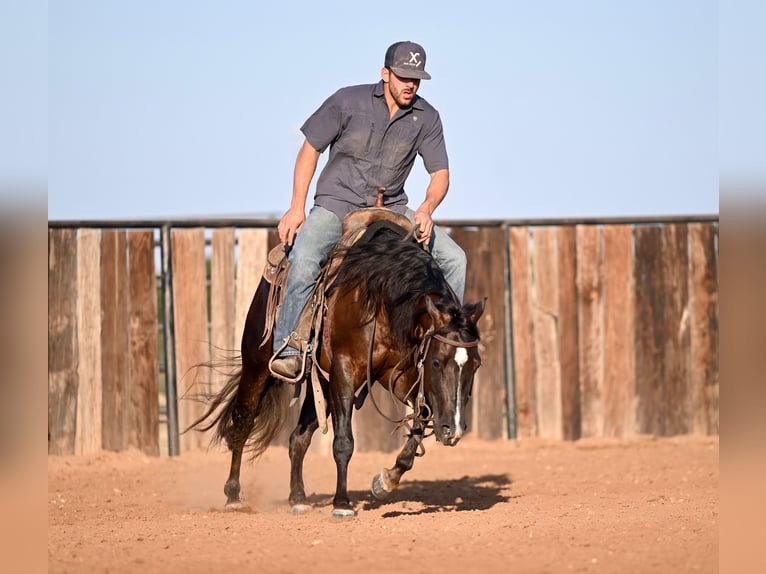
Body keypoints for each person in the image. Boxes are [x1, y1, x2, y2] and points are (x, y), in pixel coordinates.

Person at [271, 40, 467, 379]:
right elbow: (310, 149)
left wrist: (426, 208)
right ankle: (289, 347)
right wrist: (295, 207)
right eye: (404, 77)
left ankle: (441, 348)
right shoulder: (347, 101)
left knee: (455, 260)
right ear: (385, 73)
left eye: (417, 79)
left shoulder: (427, 117)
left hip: (392, 211)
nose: (411, 85)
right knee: (304, 259)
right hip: (337, 205)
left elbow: (441, 174)